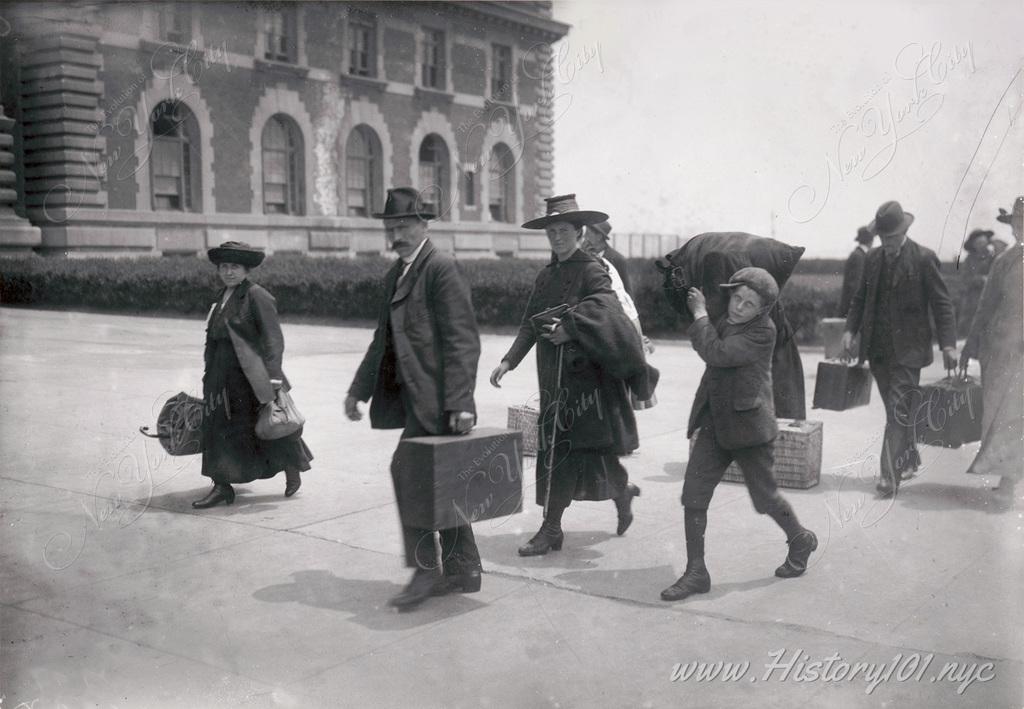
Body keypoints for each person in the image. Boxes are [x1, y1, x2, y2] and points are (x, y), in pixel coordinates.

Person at [490, 194, 651, 555]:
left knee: (572, 450)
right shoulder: (546, 276)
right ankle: (621, 493)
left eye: (564, 230)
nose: (557, 237)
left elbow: (608, 311)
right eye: (551, 231)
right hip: (552, 377)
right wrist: (508, 361)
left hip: (588, 381)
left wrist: (572, 328)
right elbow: (530, 323)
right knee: (569, 451)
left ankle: (551, 529)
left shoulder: (593, 269)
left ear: (579, 232)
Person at [345, 187, 482, 611]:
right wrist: (358, 390)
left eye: (404, 226)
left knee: (409, 473)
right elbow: (381, 341)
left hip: (439, 400)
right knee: (444, 479)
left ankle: (427, 572)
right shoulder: (397, 275)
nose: (397, 234)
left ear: (423, 225)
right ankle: (464, 568)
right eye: (391, 227)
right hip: (417, 401)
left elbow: (463, 340)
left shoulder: (440, 268)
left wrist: (461, 402)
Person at [660, 267, 818, 602]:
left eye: (749, 303)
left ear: (762, 310)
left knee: (765, 499)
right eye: (736, 297)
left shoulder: (763, 332)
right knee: (693, 494)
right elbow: (703, 330)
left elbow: (716, 352)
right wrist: (685, 291)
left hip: (750, 429)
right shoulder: (726, 319)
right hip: (716, 424)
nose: (738, 307)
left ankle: (800, 538)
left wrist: (701, 313)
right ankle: (696, 572)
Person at [842, 201, 958, 497]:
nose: (887, 244)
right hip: (877, 351)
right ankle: (908, 456)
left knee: (897, 411)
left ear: (904, 232)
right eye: (882, 238)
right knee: (897, 411)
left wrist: (948, 344)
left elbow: (942, 304)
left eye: (892, 238)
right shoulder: (873, 259)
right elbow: (860, 298)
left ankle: (888, 476)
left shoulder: (923, 258)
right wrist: (849, 330)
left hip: (909, 352)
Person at [194, 241, 313, 509]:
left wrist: (273, 379)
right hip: (220, 377)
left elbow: (273, 339)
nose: (228, 272)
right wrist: (208, 375)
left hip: (252, 379)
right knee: (217, 431)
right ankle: (221, 486)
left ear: (247, 270)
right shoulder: (221, 296)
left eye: (234, 267)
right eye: (223, 267)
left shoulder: (257, 295)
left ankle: (291, 467)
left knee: (265, 427)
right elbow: (212, 338)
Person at [960, 196, 1023, 503]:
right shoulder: (1004, 261)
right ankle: (1009, 476)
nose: (1021, 227)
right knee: (1001, 414)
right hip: (1001, 349)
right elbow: (985, 307)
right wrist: (969, 346)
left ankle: (1011, 479)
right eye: (1018, 221)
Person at [957, 229, 994, 338]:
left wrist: (989, 279)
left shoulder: (994, 257)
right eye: (978, 243)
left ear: (987, 242)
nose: (981, 246)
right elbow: (964, 278)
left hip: (991, 296)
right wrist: (980, 279)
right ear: (974, 246)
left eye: (983, 242)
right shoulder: (969, 260)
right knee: (970, 326)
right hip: (973, 298)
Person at [583, 220, 634, 298]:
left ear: (599, 237)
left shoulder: (617, 259)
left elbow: (627, 292)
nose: (585, 238)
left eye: (588, 234)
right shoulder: (584, 256)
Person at [838, 226, 874, 318]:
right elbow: (857, 286)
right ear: (870, 240)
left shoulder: (859, 254)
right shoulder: (859, 257)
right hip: (853, 310)